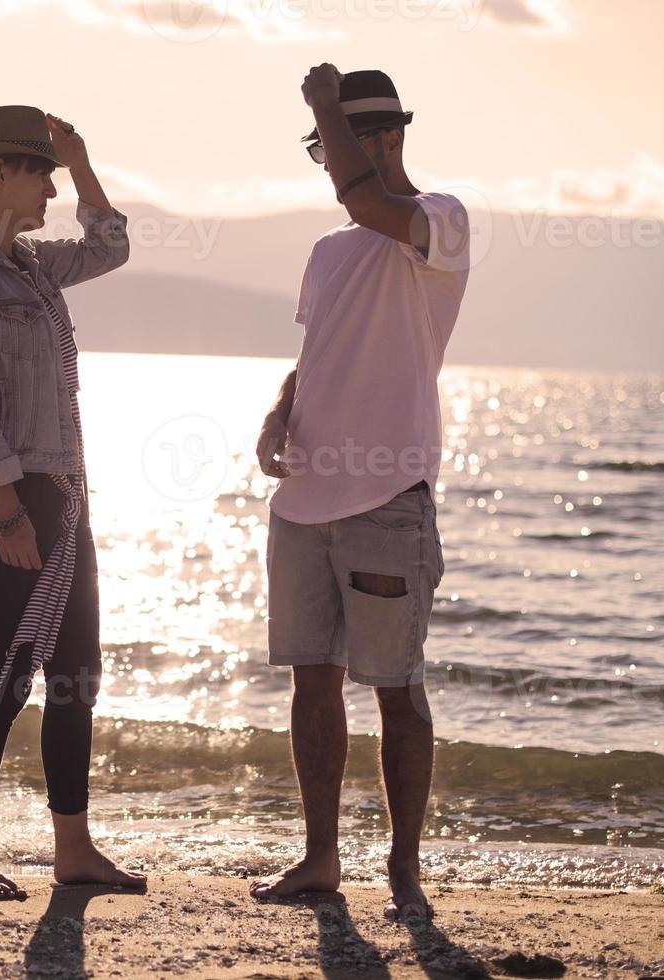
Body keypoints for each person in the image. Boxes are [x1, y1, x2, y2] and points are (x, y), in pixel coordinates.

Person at [0, 105, 146, 898]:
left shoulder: (33, 267)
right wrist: (8, 511)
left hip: (63, 494)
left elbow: (110, 245)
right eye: (39, 170)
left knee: (77, 673)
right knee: (1, 679)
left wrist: (80, 160)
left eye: (52, 172)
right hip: (6, 497)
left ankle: (72, 851)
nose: (49, 186)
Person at [250, 67, 471, 920]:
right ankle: (318, 861)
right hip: (303, 501)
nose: (323, 162)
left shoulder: (437, 222)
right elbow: (320, 351)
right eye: (317, 145)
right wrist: (278, 413)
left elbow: (367, 203)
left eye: (330, 143)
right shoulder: (330, 251)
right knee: (312, 684)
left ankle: (404, 871)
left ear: (383, 140)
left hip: (387, 498)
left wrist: (320, 104)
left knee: (395, 687)